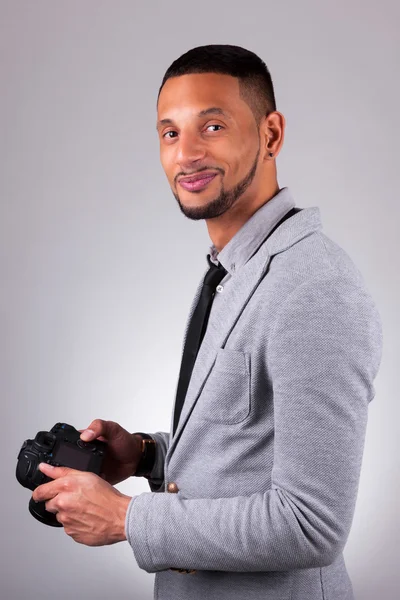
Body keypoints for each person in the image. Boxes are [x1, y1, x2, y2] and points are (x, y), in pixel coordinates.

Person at [32, 45, 383, 599]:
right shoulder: (232, 268)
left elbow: (311, 524)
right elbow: (251, 452)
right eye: (169, 133)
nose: (186, 154)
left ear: (271, 135)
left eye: (212, 126)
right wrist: (148, 454)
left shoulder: (315, 290)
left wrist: (129, 519)